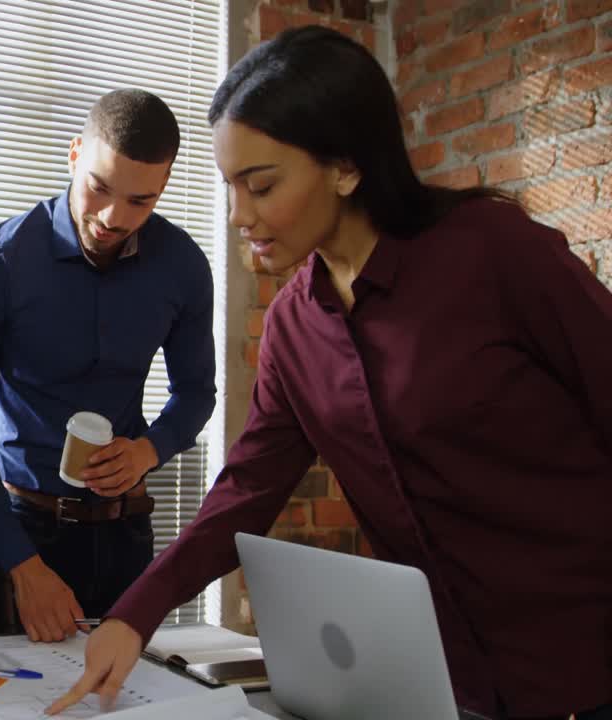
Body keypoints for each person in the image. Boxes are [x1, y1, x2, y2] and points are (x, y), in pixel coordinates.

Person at [48, 26, 612, 720]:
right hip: (445, 679)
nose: (238, 216)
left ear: (345, 167)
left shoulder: (495, 253)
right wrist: (135, 615)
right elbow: (249, 488)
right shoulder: (293, 325)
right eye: (230, 188)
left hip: (584, 658)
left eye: (259, 186)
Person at [0, 89, 217, 644]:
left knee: (128, 700)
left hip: (127, 534)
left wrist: (149, 450)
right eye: (99, 188)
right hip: (18, 533)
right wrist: (23, 566)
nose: (114, 218)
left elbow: (196, 393)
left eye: (140, 201)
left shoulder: (183, 267)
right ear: (73, 154)